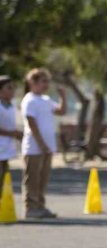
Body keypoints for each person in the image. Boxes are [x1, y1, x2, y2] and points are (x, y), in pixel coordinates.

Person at [21, 68, 67, 219]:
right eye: (43, 81)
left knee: (43, 179)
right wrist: (41, 144)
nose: (46, 85)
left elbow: (61, 111)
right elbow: (31, 123)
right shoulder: (29, 100)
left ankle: (40, 206)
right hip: (34, 147)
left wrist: (63, 97)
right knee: (32, 179)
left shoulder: (46, 100)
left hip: (47, 147)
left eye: (48, 81)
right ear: (32, 82)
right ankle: (31, 208)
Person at [0, 75, 22, 181]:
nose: (12, 90)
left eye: (13, 87)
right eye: (9, 88)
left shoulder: (12, 105)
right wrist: (12, 133)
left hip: (6, 148)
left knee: (3, 178)